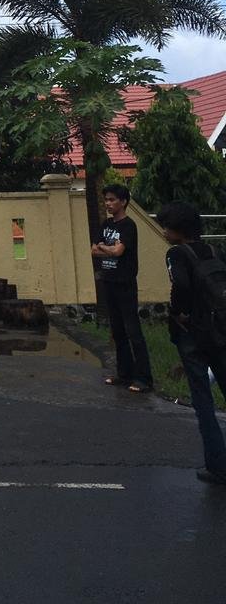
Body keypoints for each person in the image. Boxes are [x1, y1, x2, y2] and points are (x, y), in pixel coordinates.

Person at [157, 200, 226, 486]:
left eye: (166, 227)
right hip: (221, 330)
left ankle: (218, 466)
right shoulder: (215, 250)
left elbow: (181, 286)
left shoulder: (176, 254)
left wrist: (178, 313)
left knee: (203, 400)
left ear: (177, 230)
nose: (163, 232)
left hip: (194, 333)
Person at [92, 183, 153, 392]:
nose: (108, 203)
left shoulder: (129, 226)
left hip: (125, 283)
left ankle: (144, 378)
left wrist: (105, 248)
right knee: (118, 331)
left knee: (132, 330)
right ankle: (124, 374)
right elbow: (94, 250)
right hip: (109, 281)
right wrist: (106, 249)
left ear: (123, 202)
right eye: (106, 200)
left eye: (112, 200)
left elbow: (118, 251)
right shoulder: (106, 224)